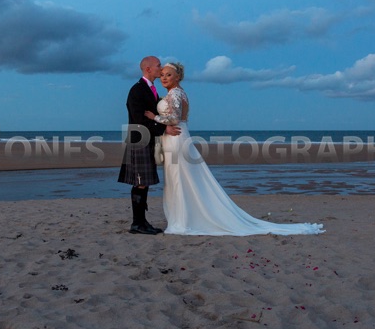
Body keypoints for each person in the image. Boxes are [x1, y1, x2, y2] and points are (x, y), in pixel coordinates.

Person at [146, 62, 324, 236]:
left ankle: (183, 220)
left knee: (179, 178)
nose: (164, 78)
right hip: (177, 136)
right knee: (182, 177)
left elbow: (174, 119)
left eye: (168, 75)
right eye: (162, 75)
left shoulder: (175, 93)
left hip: (176, 136)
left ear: (178, 77)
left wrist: (154, 117)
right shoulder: (177, 93)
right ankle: (186, 216)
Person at [118, 55, 180, 235]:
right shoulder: (137, 90)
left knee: (143, 183)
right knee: (140, 182)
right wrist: (163, 128)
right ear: (148, 69)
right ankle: (137, 224)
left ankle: (141, 222)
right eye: (158, 65)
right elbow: (139, 119)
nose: (161, 69)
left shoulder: (150, 88)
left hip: (148, 139)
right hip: (139, 140)